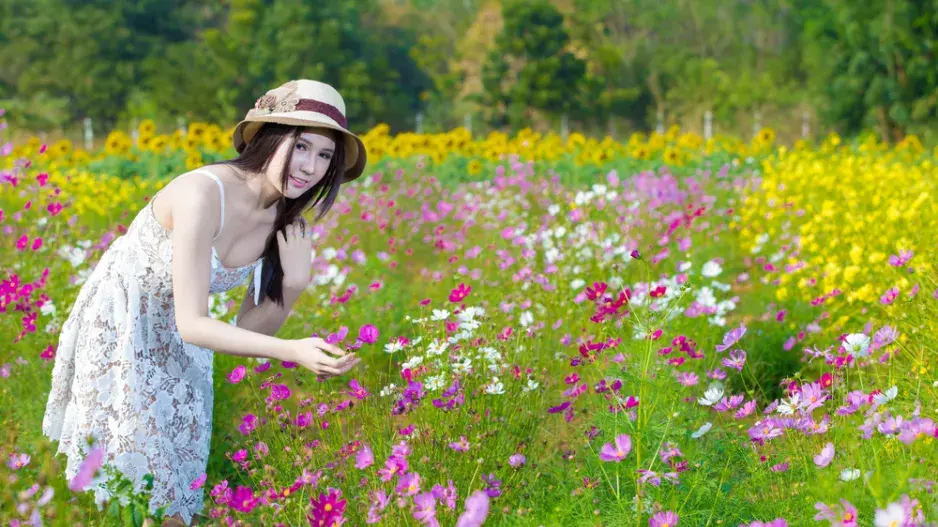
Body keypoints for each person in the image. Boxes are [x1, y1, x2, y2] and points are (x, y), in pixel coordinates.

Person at [41, 80, 366, 526]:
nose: (310, 167)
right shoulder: (202, 193)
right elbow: (194, 323)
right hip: (124, 324)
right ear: (270, 136)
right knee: (138, 487)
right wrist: (294, 349)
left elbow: (250, 333)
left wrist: (295, 282)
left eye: (325, 155)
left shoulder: (284, 219)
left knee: (176, 488)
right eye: (302, 146)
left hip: (185, 338)